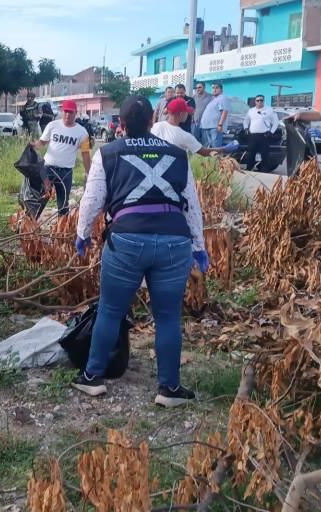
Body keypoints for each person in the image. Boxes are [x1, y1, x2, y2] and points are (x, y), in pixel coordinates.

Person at [72, 96, 208, 407]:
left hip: (127, 241)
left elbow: (92, 199)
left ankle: (93, 378)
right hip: (175, 242)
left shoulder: (107, 153)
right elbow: (192, 204)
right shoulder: (177, 154)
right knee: (168, 316)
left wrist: (82, 234)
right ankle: (169, 388)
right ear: (152, 122)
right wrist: (199, 246)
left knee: (110, 310)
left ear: (120, 124)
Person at [33, 99, 92, 217]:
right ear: (62, 111)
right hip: (48, 169)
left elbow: (85, 153)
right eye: (65, 111)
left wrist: (88, 172)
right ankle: (31, 225)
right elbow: (42, 142)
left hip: (66, 173)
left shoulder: (82, 132)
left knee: (63, 205)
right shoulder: (52, 125)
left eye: (70, 112)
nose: (67, 115)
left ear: (75, 113)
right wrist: (33, 147)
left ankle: (62, 230)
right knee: (40, 200)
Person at [151, 98, 238, 156]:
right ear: (181, 114)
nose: (187, 115)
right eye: (186, 112)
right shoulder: (184, 136)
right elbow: (204, 152)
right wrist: (225, 149)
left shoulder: (156, 126)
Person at [242, 95, 279, 172]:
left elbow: (276, 122)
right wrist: (246, 128)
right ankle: (249, 168)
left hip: (264, 136)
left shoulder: (269, 110)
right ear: (255, 101)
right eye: (257, 100)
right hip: (253, 136)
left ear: (263, 101)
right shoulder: (251, 110)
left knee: (265, 154)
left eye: (261, 100)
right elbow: (246, 120)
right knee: (251, 153)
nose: (259, 102)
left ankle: (264, 169)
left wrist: (271, 132)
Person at [200, 83, 230, 148]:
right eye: (213, 88)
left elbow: (224, 112)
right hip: (207, 127)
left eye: (217, 88)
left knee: (215, 149)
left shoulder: (223, 98)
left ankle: (217, 158)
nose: (214, 89)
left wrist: (220, 125)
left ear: (221, 89)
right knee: (209, 149)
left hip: (215, 127)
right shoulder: (213, 99)